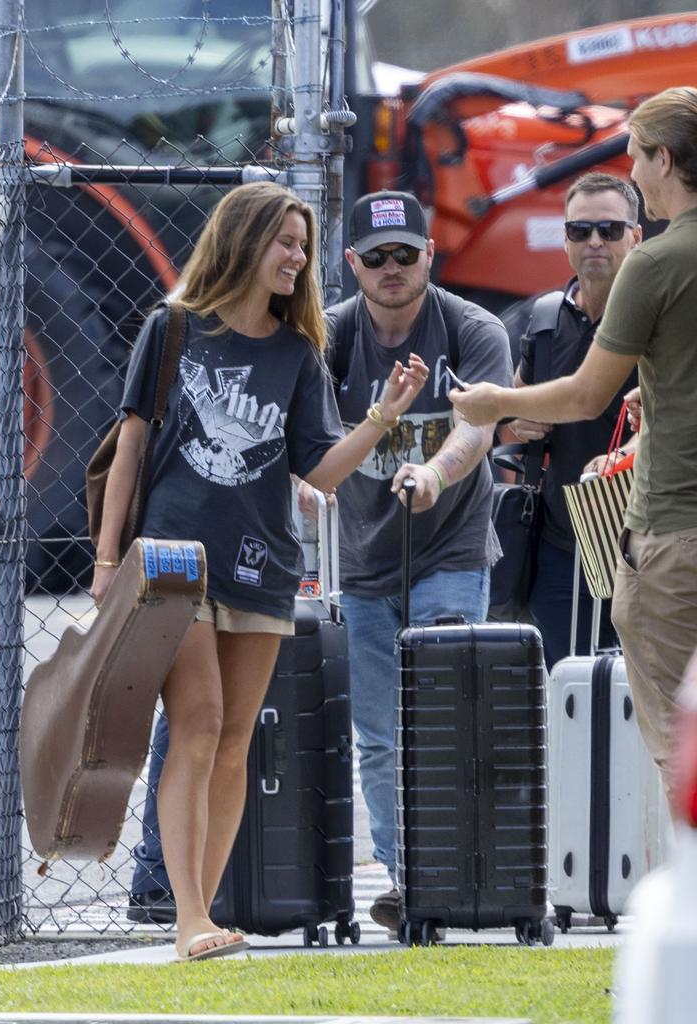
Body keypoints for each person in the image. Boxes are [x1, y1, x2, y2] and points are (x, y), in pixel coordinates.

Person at [92, 180, 428, 960]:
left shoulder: (298, 352)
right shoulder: (173, 329)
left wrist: (382, 416)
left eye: (302, 244)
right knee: (199, 722)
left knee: (236, 740)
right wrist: (108, 559)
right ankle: (187, 919)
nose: (297, 256)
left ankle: (201, 915)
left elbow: (320, 473)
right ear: (244, 240)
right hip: (176, 563)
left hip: (263, 566)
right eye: (285, 240)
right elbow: (129, 447)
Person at [450, 86, 697, 802]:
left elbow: (586, 394)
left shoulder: (657, 263)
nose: (632, 167)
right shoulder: (549, 312)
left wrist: (494, 402)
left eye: (636, 154)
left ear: (665, 158)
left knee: (679, 759)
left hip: (673, 533)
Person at [298, 189, 512, 934]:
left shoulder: (471, 329)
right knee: (381, 736)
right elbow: (310, 449)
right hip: (362, 563)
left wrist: (435, 475)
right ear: (353, 262)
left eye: (406, 254)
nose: (393, 269)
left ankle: (449, 866)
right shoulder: (329, 337)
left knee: (446, 720)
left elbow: (476, 430)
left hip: (449, 547)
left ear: (431, 255)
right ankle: (408, 878)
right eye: (376, 256)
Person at [510, 172, 640, 670]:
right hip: (562, 548)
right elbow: (519, 402)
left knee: (644, 709)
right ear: (564, 240)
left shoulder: (661, 318)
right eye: (580, 231)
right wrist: (519, 419)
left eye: (609, 229)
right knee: (568, 700)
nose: (594, 242)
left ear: (636, 236)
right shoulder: (544, 320)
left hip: (644, 552)